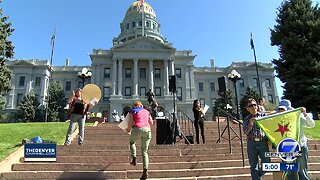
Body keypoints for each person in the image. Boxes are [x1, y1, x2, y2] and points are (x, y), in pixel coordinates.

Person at [275, 99, 315, 180]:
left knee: (302, 171)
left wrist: (304, 114)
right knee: (289, 172)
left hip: (300, 145)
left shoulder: (298, 117)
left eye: (283, 109)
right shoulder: (276, 119)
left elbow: (311, 125)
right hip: (285, 148)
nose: (281, 111)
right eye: (279, 109)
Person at [243, 98, 270, 180]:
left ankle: (257, 176)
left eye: (255, 105)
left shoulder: (263, 116)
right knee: (253, 165)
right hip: (252, 143)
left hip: (263, 142)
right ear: (248, 108)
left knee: (267, 164)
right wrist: (251, 123)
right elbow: (245, 132)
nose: (253, 107)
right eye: (251, 105)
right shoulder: (247, 119)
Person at [126, 100, 153, 180]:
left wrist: (128, 129)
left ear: (134, 106)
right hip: (147, 130)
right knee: (144, 151)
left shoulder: (133, 111)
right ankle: (145, 171)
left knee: (132, 142)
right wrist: (147, 128)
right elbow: (151, 122)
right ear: (141, 105)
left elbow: (130, 122)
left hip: (137, 128)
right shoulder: (146, 111)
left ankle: (134, 158)